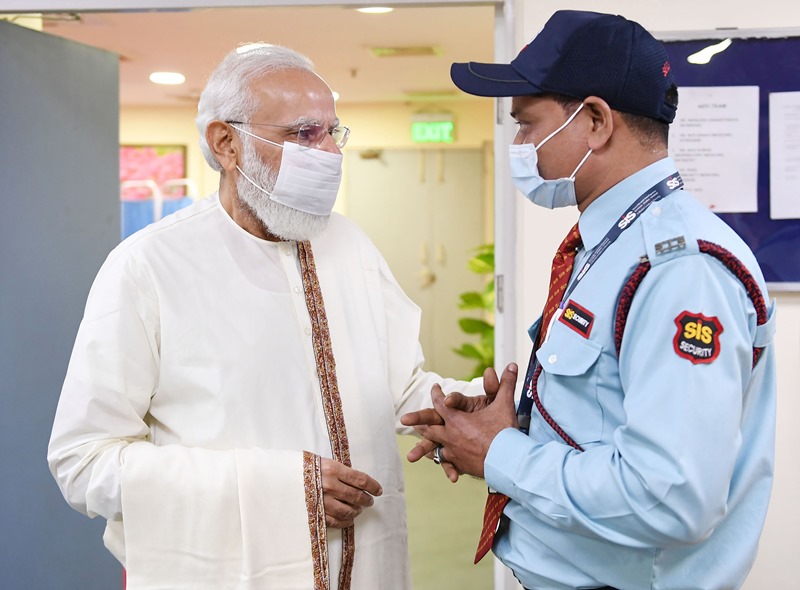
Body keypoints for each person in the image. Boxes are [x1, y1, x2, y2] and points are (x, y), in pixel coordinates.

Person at [47, 43, 484, 590]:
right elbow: (83, 462)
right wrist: (281, 490)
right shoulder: (149, 266)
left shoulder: (350, 246)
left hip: (368, 567)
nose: (330, 153)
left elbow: (398, 386)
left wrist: (460, 409)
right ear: (225, 143)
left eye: (333, 132)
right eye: (303, 134)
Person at [401, 10, 777, 590]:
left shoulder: (680, 269)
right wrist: (511, 427)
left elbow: (670, 497)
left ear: (596, 121)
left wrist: (501, 454)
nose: (519, 145)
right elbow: (605, 414)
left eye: (526, 125)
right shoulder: (613, 244)